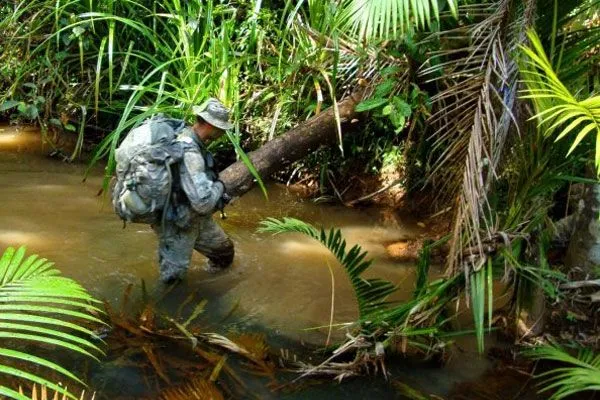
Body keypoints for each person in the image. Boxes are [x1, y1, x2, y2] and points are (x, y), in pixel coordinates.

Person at [152, 98, 235, 283]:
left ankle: (206, 287)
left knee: (224, 253)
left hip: (193, 216)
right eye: (220, 128)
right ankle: (159, 310)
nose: (222, 132)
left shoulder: (183, 135)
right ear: (208, 123)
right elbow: (203, 203)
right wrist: (220, 187)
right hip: (176, 221)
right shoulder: (190, 151)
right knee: (173, 279)